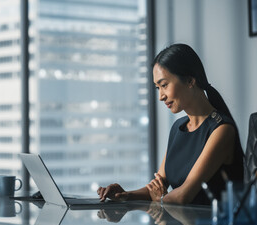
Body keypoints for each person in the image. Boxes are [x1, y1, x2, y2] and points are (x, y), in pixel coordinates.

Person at [97, 43, 244, 205]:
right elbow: (157, 187)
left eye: (164, 85)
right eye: (157, 87)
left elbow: (183, 196)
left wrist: (160, 198)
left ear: (189, 80)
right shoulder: (178, 128)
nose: (161, 96)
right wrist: (124, 194)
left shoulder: (221, 130)